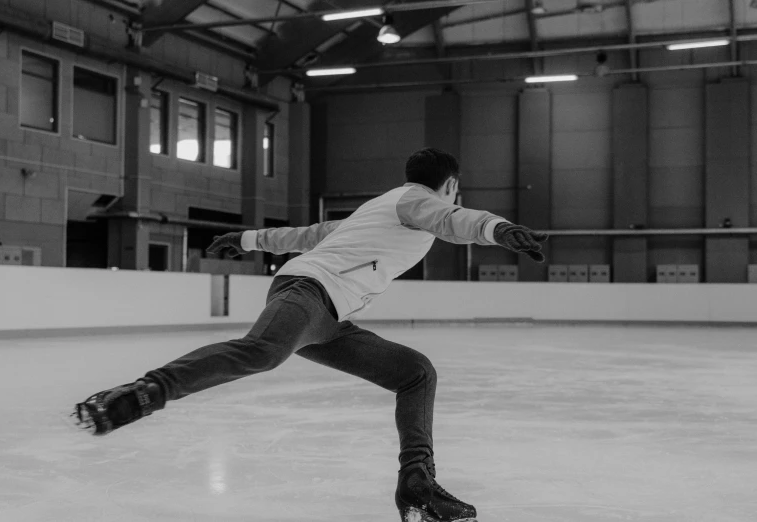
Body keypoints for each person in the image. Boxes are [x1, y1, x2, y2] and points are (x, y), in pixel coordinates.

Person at [72, 147, 548, 522]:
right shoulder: (417, 202)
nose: (453, 198)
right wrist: (498, 229)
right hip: (308, 291)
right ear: (450, 184)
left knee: (415, 373)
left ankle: (417, 485)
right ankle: (144, 392)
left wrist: (246, 239)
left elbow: (311, 233)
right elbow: (452, 220)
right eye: (454, 190)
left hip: (329, 317)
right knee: (263, 353)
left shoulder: (383, 208)